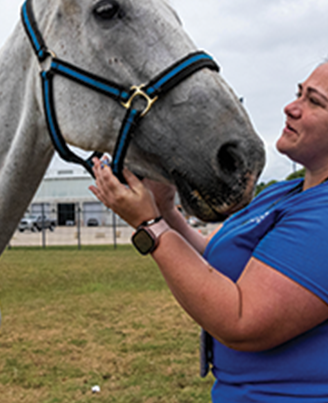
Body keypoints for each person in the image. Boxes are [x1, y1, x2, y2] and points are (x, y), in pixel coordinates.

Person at [89, 62, 328, 401]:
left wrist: (149, 226)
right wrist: (164, 208)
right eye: (298, 93)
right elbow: (211, 256)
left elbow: (242, 320)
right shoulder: (282, 193)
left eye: (314, 101)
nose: (291, 107)